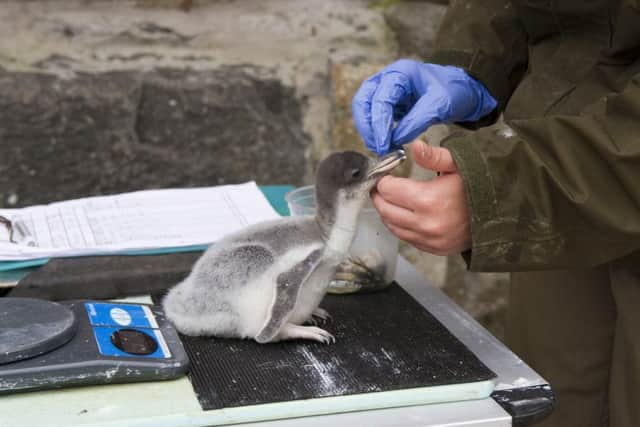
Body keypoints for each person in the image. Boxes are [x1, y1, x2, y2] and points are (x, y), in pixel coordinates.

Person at [351, 1, 640, 426]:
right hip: (561, 188)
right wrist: (472, 65)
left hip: (579, 171)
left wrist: (502, 191)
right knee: (555, 401)